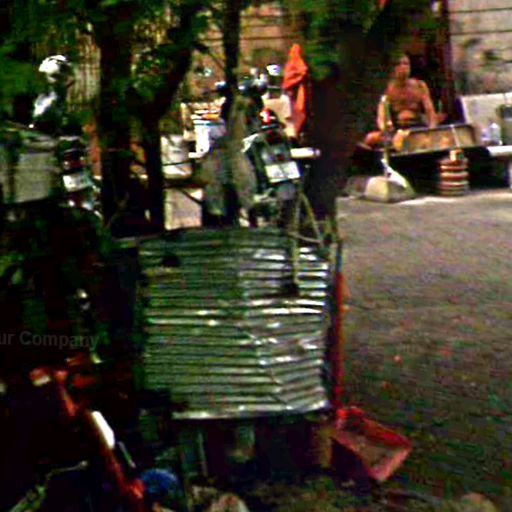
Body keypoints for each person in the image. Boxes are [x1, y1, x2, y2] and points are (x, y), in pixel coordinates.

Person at [364, 53, 438, 148]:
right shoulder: (386, 88)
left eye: (406, 64)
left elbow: (430, 112)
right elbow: (381, 116)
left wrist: (432, 131)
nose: (403, 67)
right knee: (370, 138)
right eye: (398, 64)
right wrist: (387, 130)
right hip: (396, 130)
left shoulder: (419, 85)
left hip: (417, 128)